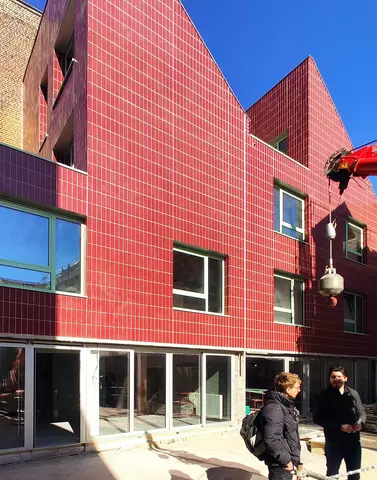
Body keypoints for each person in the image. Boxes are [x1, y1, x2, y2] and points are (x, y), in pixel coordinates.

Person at [313, 366, 366, 480]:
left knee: (354, 474)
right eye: (333, 377)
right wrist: (339, 426)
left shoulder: (353, 394)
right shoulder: (323, 396)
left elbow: (361, 412)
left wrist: (361, 422)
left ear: (345, 378)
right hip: (334, 443)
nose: (336, 379)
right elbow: (317, 418)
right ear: (329, 379)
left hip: (353, 442)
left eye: (339, 376)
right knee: (332, 473)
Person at [258, 372, 302, 480]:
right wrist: (286, 460)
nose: (299, 390)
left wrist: (296, 461)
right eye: (297, 387)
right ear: (288, 390)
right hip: (280, 464)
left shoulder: (286, 406)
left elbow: (290, 434)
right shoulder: (274, 408)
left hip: (287, 461)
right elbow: (272, 439)